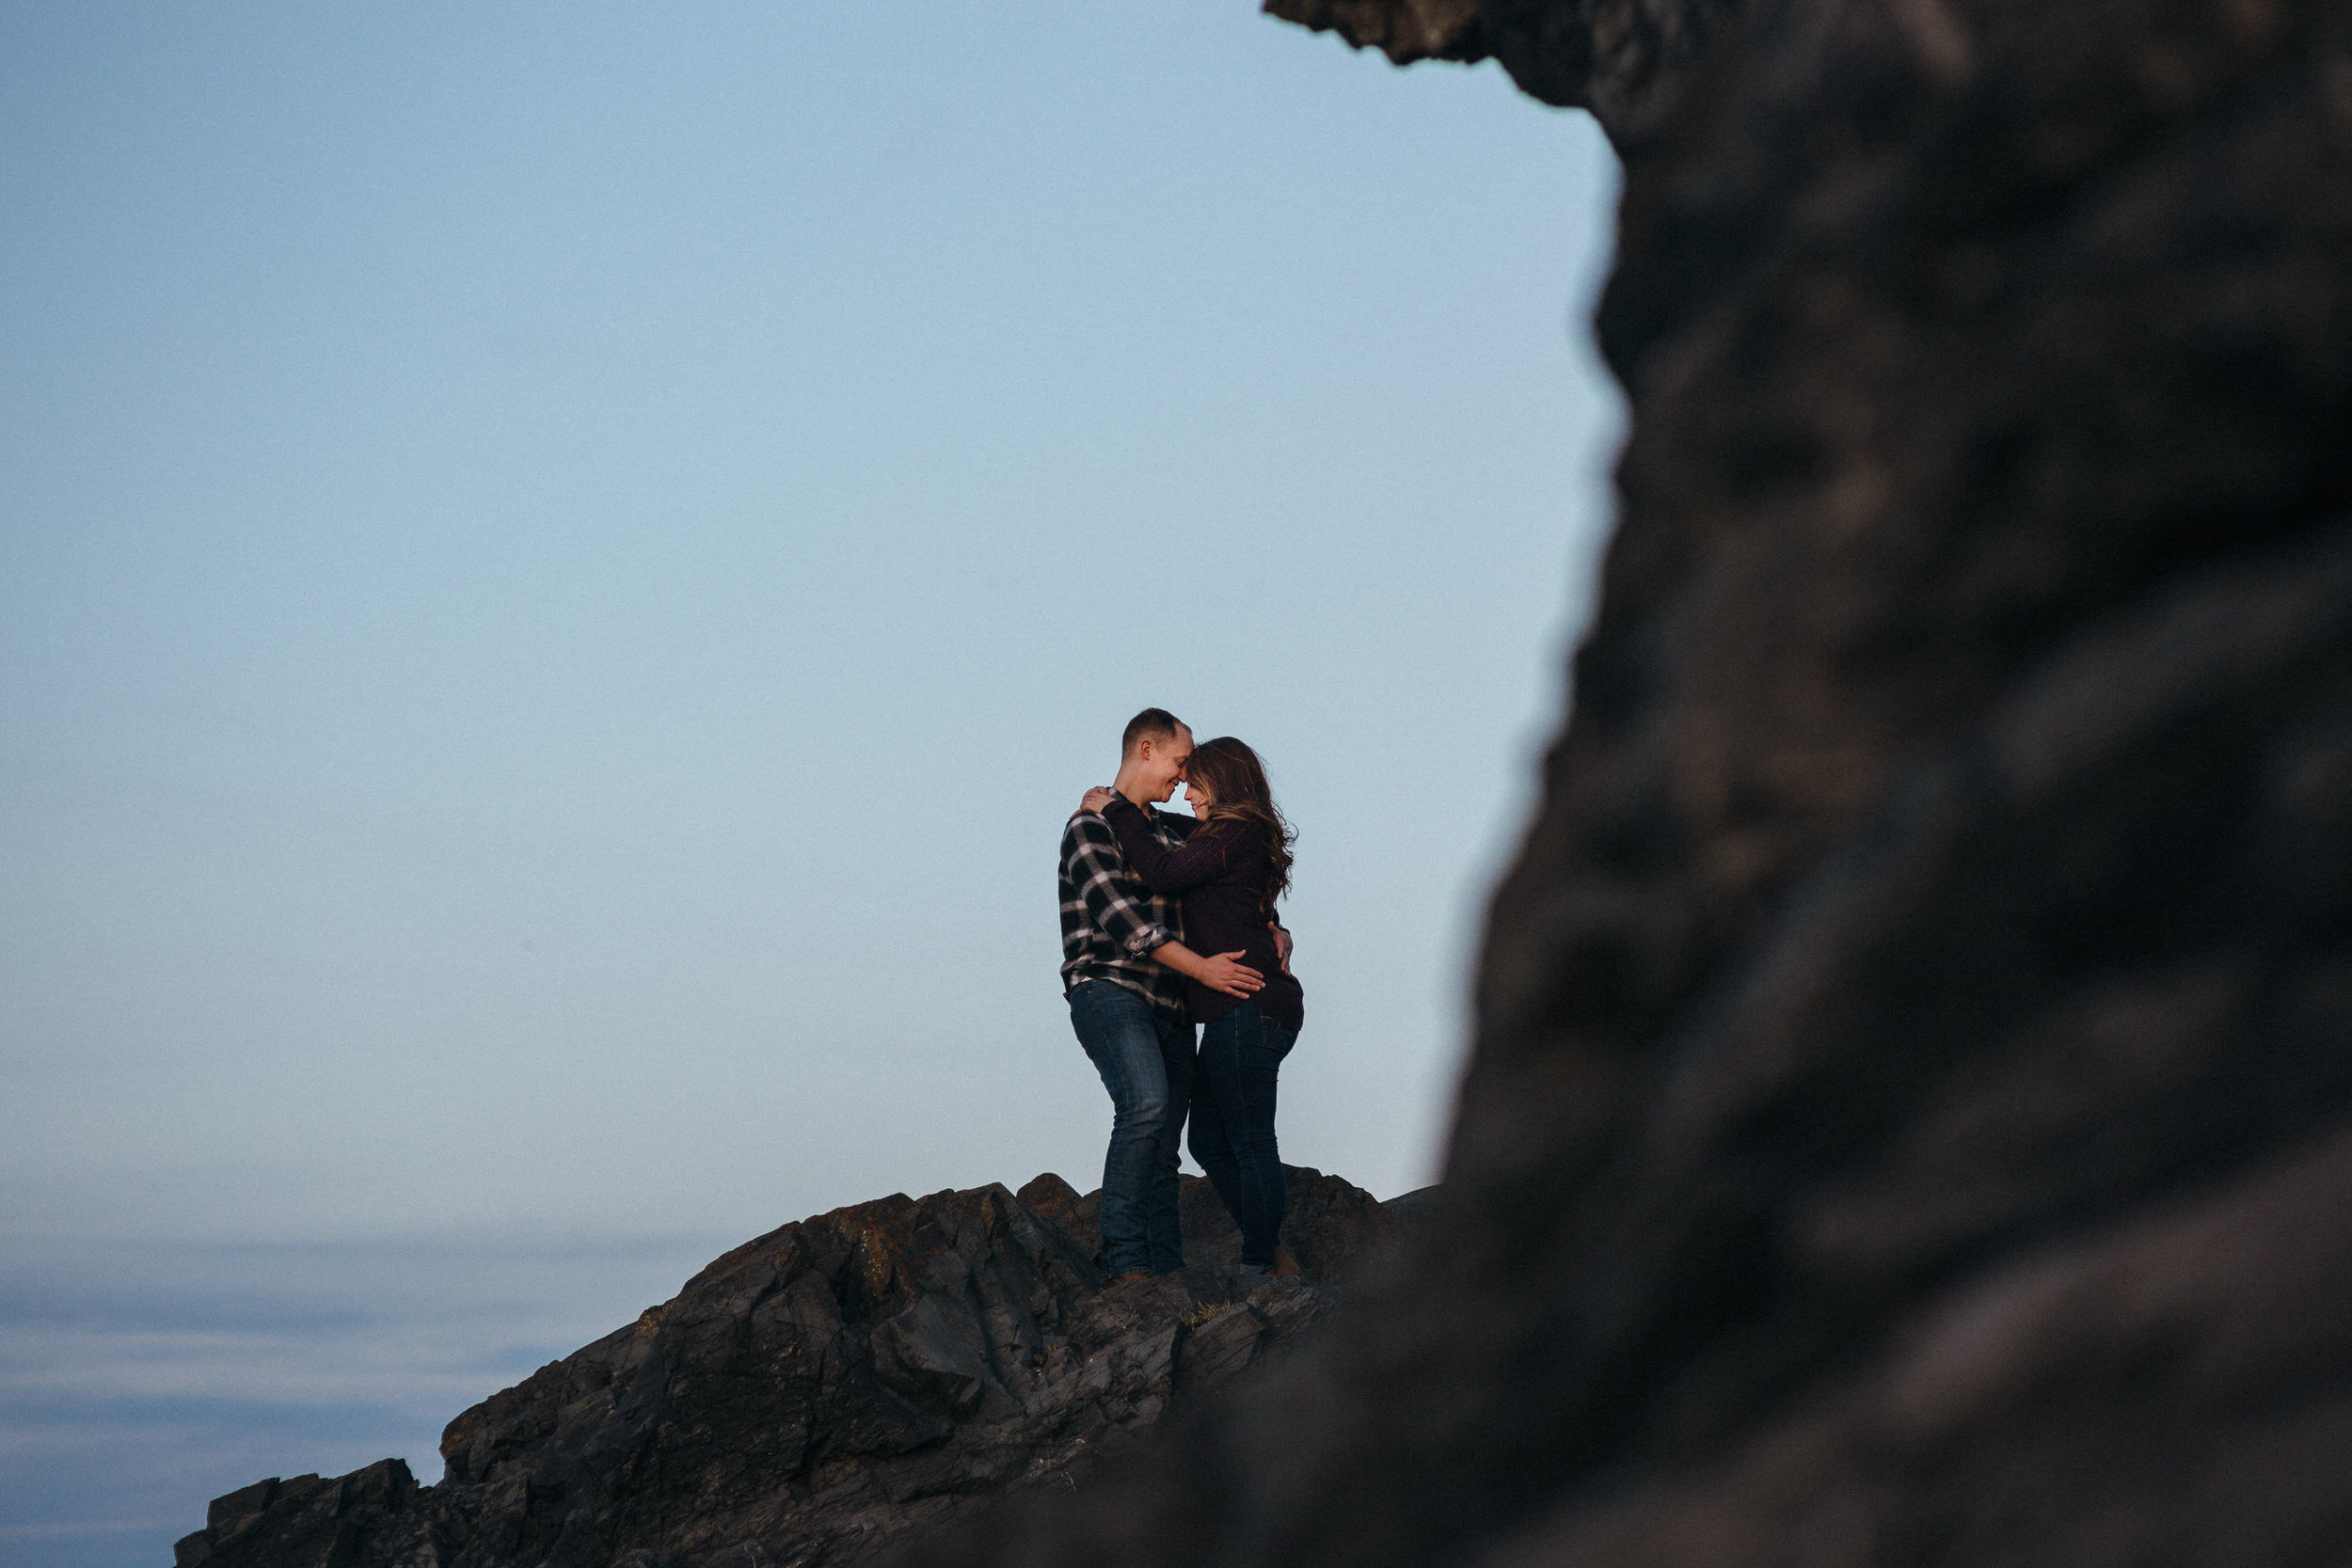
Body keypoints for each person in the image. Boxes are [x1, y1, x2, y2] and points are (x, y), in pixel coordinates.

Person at [1058, 708, 1265, 1285]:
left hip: (1173, 1004)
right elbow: (1129, 929)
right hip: (1108, 989)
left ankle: (1168, 1274)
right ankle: (1124, 1264)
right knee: (1145, 1105)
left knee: (1168, 1144)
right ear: (1145, 749)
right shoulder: (1088, 829)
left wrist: (1272, 923)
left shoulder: (1174, 833)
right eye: (1179, 764)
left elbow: (1237, 869)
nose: (1184, 779)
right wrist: (1204, 970)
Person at [1086, 736, 1304, 1275]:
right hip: (1241, 1005)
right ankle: (1269, 1250)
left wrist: (1112, 808)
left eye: (1195, 782)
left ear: (1222, 783)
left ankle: (1262, 1264)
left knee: (1252, 1140)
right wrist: (1125, 810)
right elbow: (1173, 842)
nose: (1186, 794)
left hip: (1250, 1001)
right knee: (1207, 1140)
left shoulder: (1238, 832)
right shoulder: (1231, 837)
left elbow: (1163, 870)